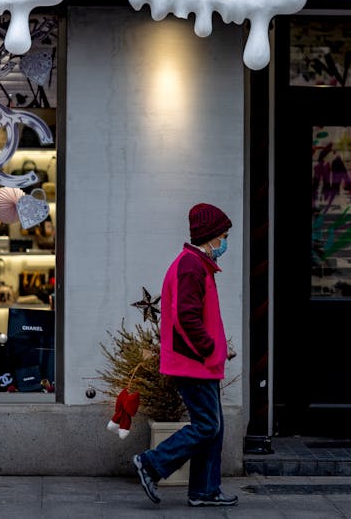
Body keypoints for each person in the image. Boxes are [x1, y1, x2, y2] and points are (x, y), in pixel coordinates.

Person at [132, 203, 238, 507]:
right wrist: (210, 349)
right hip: (194, 364)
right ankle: (151, 463)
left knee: (213, 428)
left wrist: (219, 347)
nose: (225, 242)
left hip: (200, 362)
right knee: (207, 426)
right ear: (212, 236)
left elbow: (196, 317)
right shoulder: (191, 267)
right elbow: (187, 319)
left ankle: (205, 491)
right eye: (224, 235)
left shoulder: (196, 265)